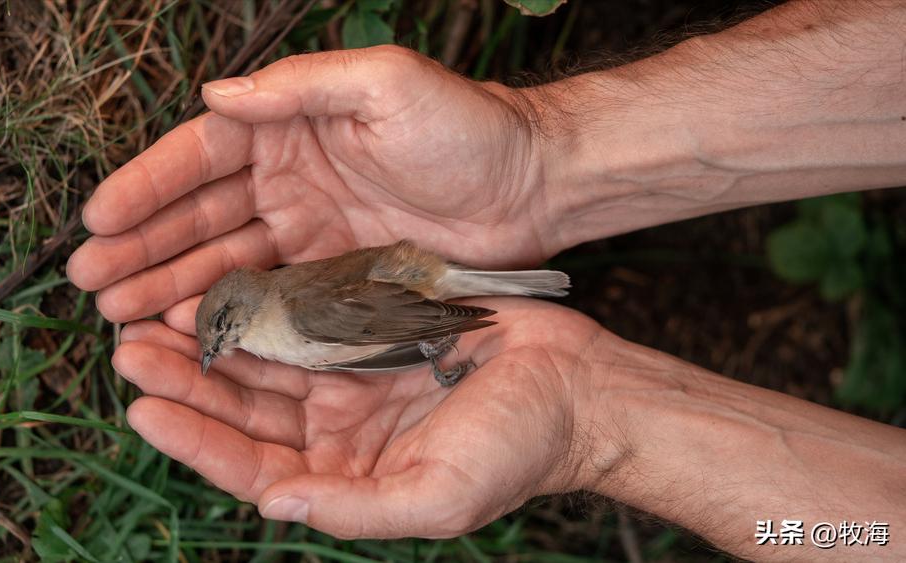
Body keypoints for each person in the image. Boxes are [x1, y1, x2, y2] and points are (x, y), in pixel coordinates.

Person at [66, 1, 906, 560]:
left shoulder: (292, 313)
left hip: (406, 290)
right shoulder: (276, 306)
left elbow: (378, 316)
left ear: (242, 309)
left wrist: (452, 329)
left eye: (220, 333)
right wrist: (540, 161)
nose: (220, 349)